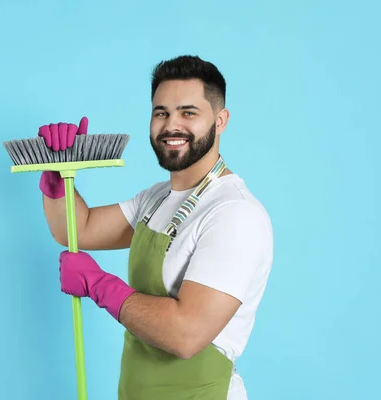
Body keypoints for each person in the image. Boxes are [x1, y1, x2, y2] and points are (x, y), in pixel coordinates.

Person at [36, 55, 273, 400]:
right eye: (161, 112)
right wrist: (59, 180)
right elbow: (78, 228)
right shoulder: (158, 198)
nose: (171, 125)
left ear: (220, 121)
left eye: (188, 112)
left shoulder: (234, 214)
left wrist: (99, 284)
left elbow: (187, 334)